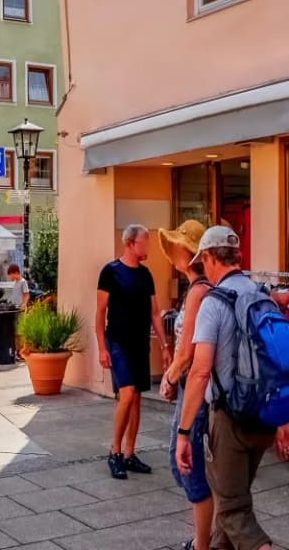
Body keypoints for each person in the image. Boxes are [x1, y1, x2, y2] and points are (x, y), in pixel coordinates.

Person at [176, 225, 280, 550]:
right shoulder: (263, 295)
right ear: (237, 255)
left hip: (229, 420)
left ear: (210, 257)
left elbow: (199, 372)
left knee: (234, 511)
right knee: (229, 504)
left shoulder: (214, 303)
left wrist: (184, 431)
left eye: (203, 261)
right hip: (263, 417)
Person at [157, 221, 216, 550]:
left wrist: (170, 376)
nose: (173, 251)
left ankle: (202, 543)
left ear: (190, 253)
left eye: (178, 245)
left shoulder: (198, 292)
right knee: (184, 460)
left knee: (186, 461)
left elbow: (187, 350)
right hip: (191, 382)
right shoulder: (198, 289)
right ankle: (206, 537)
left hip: (195, 384)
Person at [98, 223, 168, 480]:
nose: (147, 246)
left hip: (140, 344)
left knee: (136, 398)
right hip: (118, 342)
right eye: (144, 242)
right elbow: (100, 313)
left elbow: (155, 313)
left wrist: (164, 346)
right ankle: (114, 452)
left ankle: (129, 453)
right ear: (130, 243)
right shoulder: (110, 272)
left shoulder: (146, 275)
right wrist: (102, 348)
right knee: (126, 394)